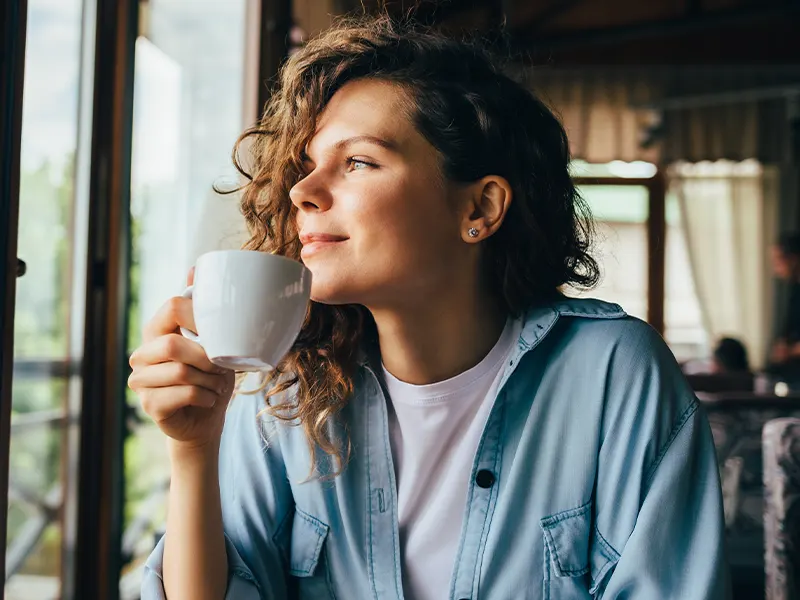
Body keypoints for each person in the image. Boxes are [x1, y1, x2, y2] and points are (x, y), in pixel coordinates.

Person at [129, 16, 729, 600]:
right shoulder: (286, 389)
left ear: (479, 209)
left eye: (358, 161)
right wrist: (193, 449)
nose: (301, 192)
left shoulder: (613, 372)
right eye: (308, 167)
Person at [769, 232, 800, 377]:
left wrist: (790, 351)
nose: (776, 269)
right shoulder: (794, 291)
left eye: (778, 261)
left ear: (793, 259)